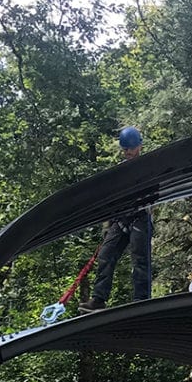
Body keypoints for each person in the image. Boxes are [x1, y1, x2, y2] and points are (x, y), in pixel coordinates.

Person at [82, 127, 156, 310]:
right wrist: (108, 224)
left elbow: (154, 193)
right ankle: (98, 299)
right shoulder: (119, 171)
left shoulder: (151, 167)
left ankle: (141, 300)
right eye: (125, 149)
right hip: (120, 218)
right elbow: (111, 197)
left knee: (140, 259)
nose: (128, 152)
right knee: (106, 255)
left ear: (139, 146)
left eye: (131, 148)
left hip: (141, 217)